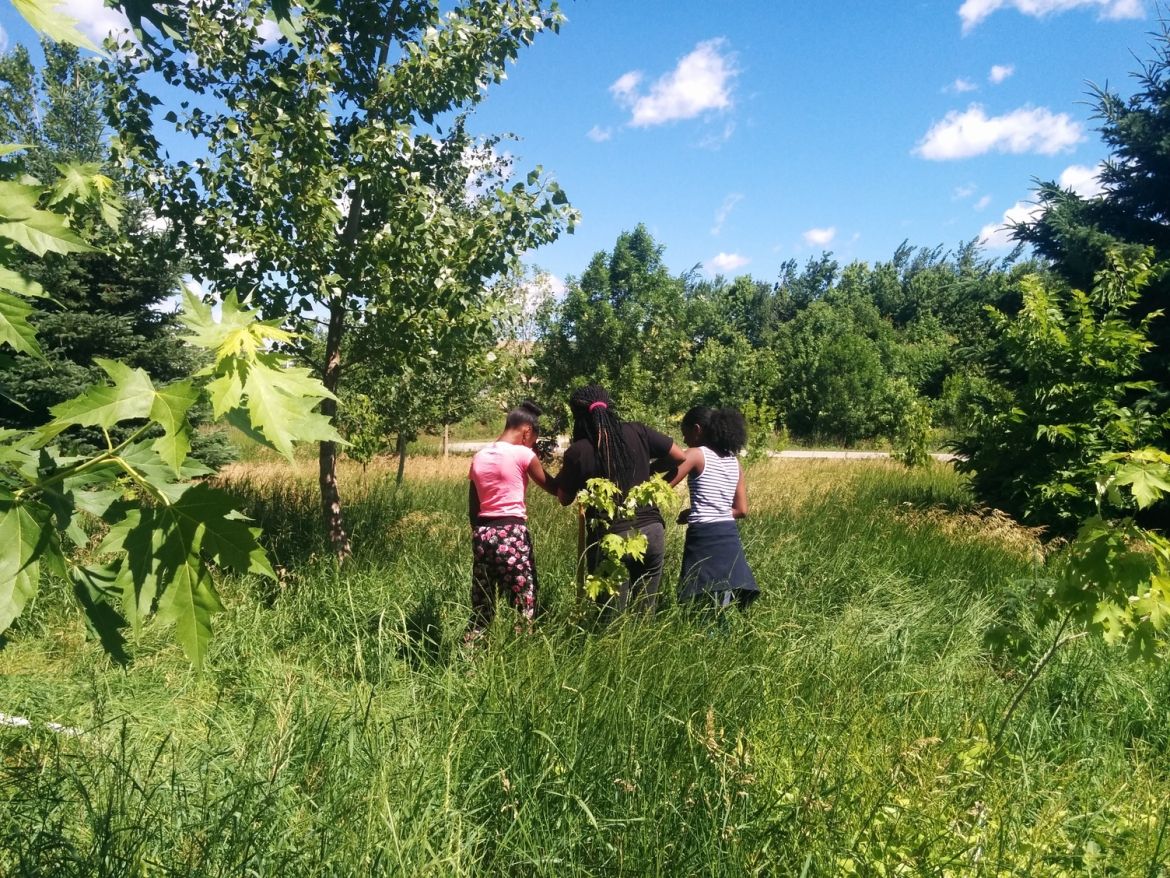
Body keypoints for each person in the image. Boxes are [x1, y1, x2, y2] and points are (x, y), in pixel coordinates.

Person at [555, 385, 686, 616]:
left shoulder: (579, 451)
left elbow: (564, 498)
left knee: (610, 619)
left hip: (609, 537)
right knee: (646, 613)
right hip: (651, 532)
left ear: (578, 417)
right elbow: (679, 456)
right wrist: (650, 474)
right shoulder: (638, 431)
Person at [466, 401, 557, 641]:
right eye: (534, 439)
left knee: (482, 602)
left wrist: (481, 535)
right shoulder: (523, 453)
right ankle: (521, 650)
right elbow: (554, 488)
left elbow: (473, 507)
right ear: (527, 431)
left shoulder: (480, 456)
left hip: (482, 533)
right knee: (524, 598)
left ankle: (471, 655)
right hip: (512, 533)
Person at [670, 406, 759, 610]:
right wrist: (698, 510)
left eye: (685, 434)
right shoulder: (733, 461)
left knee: (696, 604)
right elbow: (741, 510)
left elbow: (663, 487)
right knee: (720, 605)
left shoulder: (695, 454)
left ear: (697, 429)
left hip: (704, 538)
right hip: (728, 537)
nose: (684, 441)